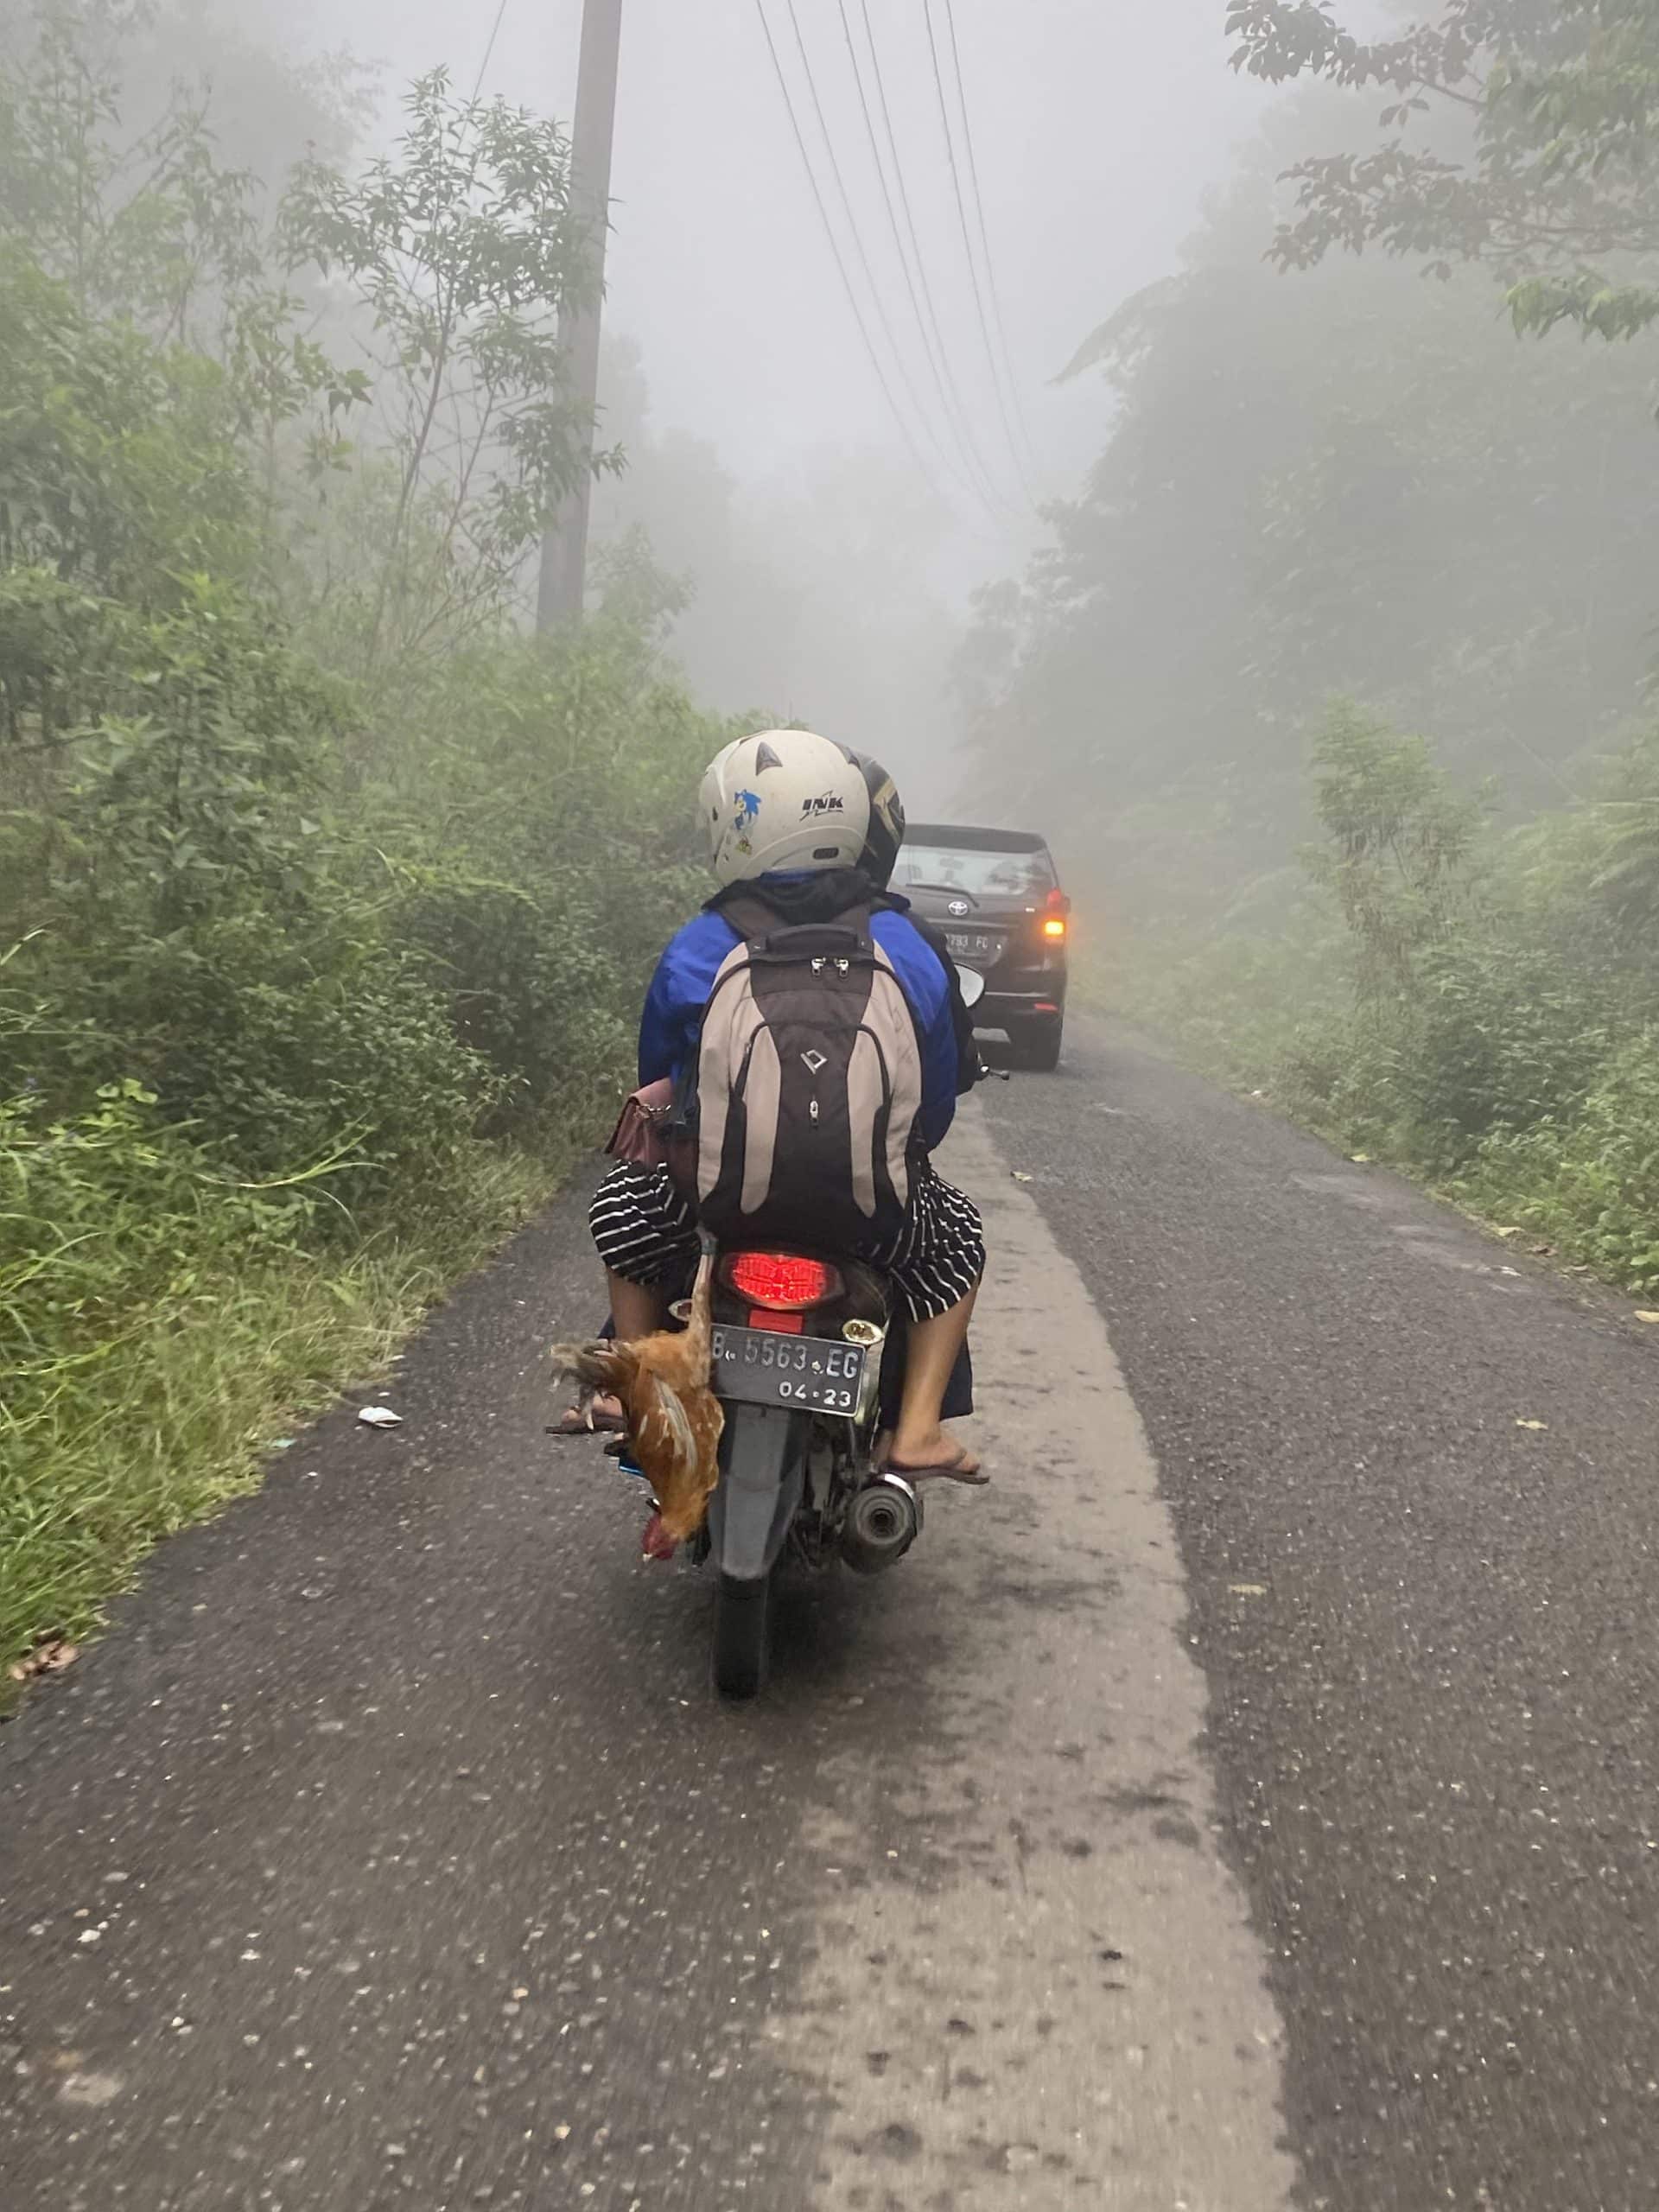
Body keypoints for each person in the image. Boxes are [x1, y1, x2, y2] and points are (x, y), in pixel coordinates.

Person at [575, 729, 986, 1483]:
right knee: (956, 1242)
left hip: (715, 1207)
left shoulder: (700, 944)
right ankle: (918, 1431)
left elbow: (659, 1079)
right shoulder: (905, 944)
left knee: (622, 1210)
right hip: (874, 1218)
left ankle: (636, 1390)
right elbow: (932, 1114)